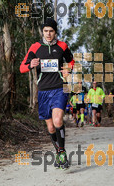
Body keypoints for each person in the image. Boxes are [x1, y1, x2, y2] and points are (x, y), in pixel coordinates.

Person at [20, 18, 74, 169]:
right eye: (45, 31)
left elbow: (71, 61)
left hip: (59, 88)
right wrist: (31, 64)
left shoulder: (62, 46)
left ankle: (62, 152)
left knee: (58, 121)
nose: (48, 34)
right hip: (43, 91)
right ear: (42, 32)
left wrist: (68, 69)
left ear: (55, 32)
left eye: (51, 31)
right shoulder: (35, 47)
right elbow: (22, 67)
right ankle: (58, 152)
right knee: (50, 128)